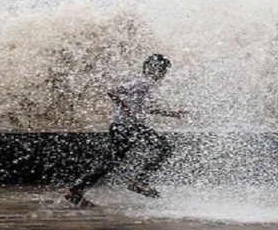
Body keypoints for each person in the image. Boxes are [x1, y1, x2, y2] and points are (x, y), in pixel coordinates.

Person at [63, 54, 187, 206]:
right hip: (128, 127)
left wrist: (172, 114)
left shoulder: (145, 83)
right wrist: (130, 114)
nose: (164, 74)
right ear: (156, 69)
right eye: (163, 70)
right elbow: (113, 91)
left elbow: (146, 108)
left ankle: (75, 190)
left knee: (109, 163)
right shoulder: (143, 82)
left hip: (122, 127)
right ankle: (139, 181)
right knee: (164, 147)